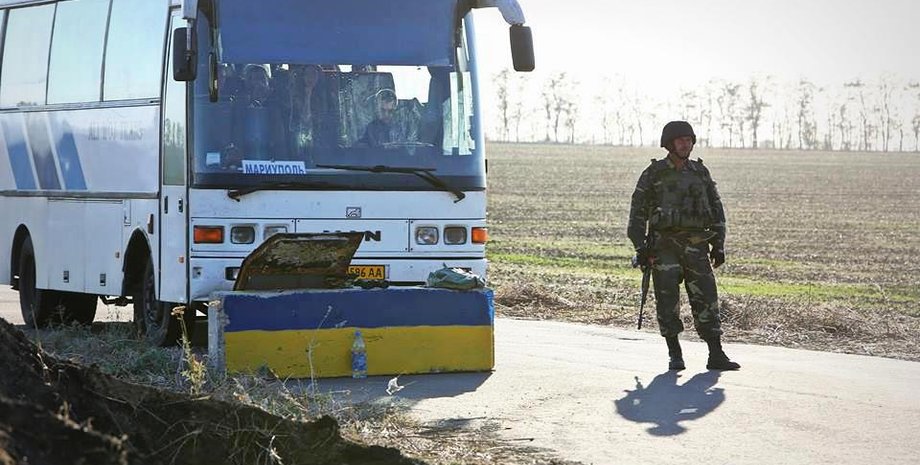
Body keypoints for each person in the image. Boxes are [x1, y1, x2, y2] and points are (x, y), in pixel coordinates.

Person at [627, 121, 740, 371]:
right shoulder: (654, 173)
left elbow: (716, 209)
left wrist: (718, 244)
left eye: (688, 140)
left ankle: (716, 354)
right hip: (663, 248)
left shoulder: (700, 172)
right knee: (667, 302)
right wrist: (640, 248)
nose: (685, 144)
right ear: (669, 144)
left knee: (707, 299)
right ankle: (675, 354)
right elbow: (637, 213)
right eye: (680, 140)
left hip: (697, 247)